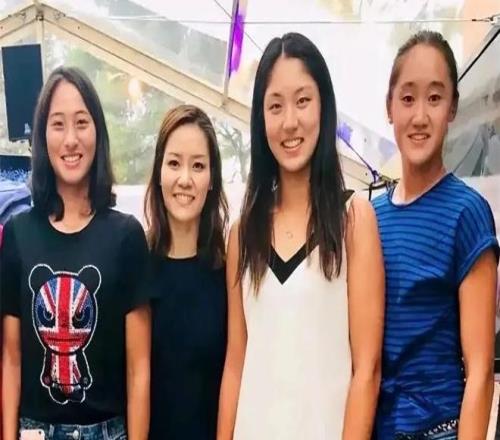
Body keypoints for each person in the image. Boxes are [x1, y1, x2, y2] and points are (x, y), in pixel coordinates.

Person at [217, 32, 385, 439]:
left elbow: (367, 369)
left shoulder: (353, 220)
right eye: (275, 106)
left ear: (323, 106)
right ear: (261, 119)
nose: (290, 121)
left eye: (303, 100)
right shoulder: (243, 233)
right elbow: (236, 365)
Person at [1, 67, 151, 440]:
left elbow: (139, 369)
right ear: (42, 136)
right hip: (35, 430)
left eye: (81, 122)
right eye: (58, 124)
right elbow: (11, 361)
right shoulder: (18, 234)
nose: (71, 139)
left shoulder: (127, 236)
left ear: (98, 132)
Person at [373, 30, 500, 439]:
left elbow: (480, 370)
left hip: (436, 428)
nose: (420, 116)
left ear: (452, 108)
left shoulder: (468, 213)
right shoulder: (369, 217)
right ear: (389, 107)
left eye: (434, 97)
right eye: (408, 98)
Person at [145, 105, 228, 440]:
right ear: (159, 172)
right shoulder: (135, 264)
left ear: (211, 180)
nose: (185, 179)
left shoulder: (229, 273)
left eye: (198, 166)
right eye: (174, 163)